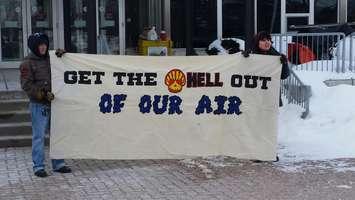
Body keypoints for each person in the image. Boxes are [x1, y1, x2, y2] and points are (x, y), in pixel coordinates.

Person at [19, 33, 71, 177]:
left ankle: (58, 163)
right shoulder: (27, 63)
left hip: (54, 104)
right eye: (40, 45)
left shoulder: (52, 58)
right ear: (34, 46)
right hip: (39, 105)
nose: (43, 47)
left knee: (56, 134)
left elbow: (65, 67)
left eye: (44, 44)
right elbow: (26, 85)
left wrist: (65, 56)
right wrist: (41, 94)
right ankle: (38, 166)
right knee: (39, 136)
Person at [243, 31, 290, 107]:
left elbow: (284, 76)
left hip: (271, 96)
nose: (267, 42)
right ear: (257, 42)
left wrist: (284, 64)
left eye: (268, 40)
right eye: (263, 40)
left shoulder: (276, 56)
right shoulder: (250, 55)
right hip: (254, 96)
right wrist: (243, 59)